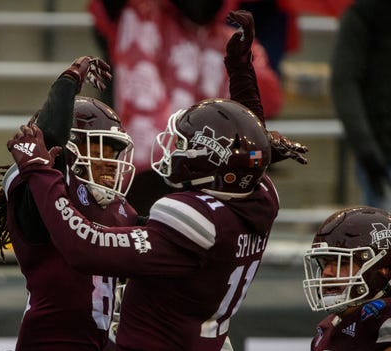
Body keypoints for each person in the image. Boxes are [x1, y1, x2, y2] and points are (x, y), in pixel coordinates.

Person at [5, 11, 307, 351]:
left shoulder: (192, 221)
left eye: (185, 146)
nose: (174, 152)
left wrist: (39, 168)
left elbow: (85, 247)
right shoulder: (258, 199)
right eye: (99, 149)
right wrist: (240, 72)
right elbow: (247, 145)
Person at [0, 55, 141, 351]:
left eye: (114, 152)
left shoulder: (119, 209)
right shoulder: (39, 192)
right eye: (99, 148)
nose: (110, 162)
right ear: (66, 151)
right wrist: (66, 85)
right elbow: (49, 137)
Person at [88, 0, 284, 215]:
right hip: (144, 168)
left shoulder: (232, 42)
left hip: (204, 174)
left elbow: (268, 99)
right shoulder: (141, 16)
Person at [329, 0, 391, 267]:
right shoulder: (365, 14)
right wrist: (366, 147)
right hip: (385, 155)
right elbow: (344, 80)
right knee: (387, 257)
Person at [302, 206, 391, 351]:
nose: (327, 273)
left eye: (342, 263)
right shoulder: (329, 328)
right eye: (325, 263)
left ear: (384, 269)